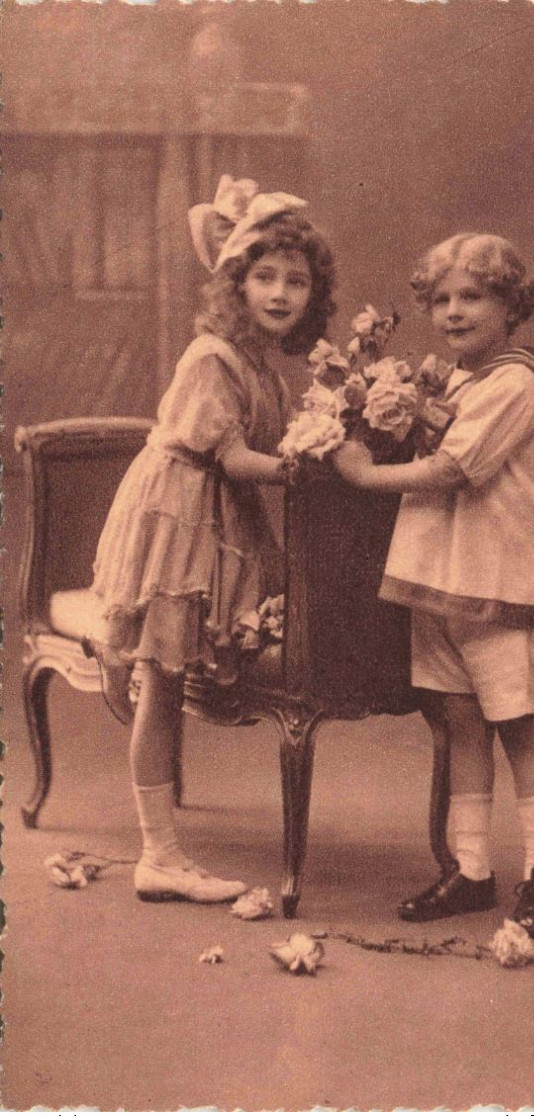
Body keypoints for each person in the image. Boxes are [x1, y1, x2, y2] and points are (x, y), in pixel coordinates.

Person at [90, 176, 336, 903]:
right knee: (162, 682)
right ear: (235, 285)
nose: (280, 292)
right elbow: (233, 461)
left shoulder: (263, 365)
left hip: (215, 516)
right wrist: (309, 469)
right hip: (176, 514)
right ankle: (158, 855)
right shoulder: (211, 356)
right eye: (264, 277)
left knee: (165, 679)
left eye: (296, 280)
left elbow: (261, 450)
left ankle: (158, 842)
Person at [332, 233, 534, 938]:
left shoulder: (514, 382)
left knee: (517, 724)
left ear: (509, 305)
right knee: (461, 722)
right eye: (440, 300)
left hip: (497, 579)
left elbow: (453, 469)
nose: (454, 312)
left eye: (472, 297)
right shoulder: (459, 381)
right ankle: (470, 869)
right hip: (439, 579)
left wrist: (366, 475)